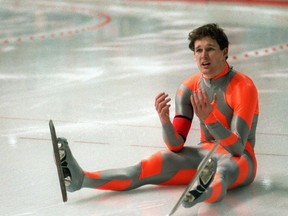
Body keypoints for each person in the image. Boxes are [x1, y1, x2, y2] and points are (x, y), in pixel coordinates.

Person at [57, 23, 259, 208]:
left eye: (210, 49)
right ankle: (81, 179)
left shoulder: (244, 86)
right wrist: (165, 122)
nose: (203, 56)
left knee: (220, 173)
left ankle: (202, 192)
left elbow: (238, 147)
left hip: (240, 159)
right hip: (203, 154)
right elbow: (176, 145)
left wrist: (210, 120)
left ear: (225, 52)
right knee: (145, 168)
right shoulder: (188, 88)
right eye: (198, 50)